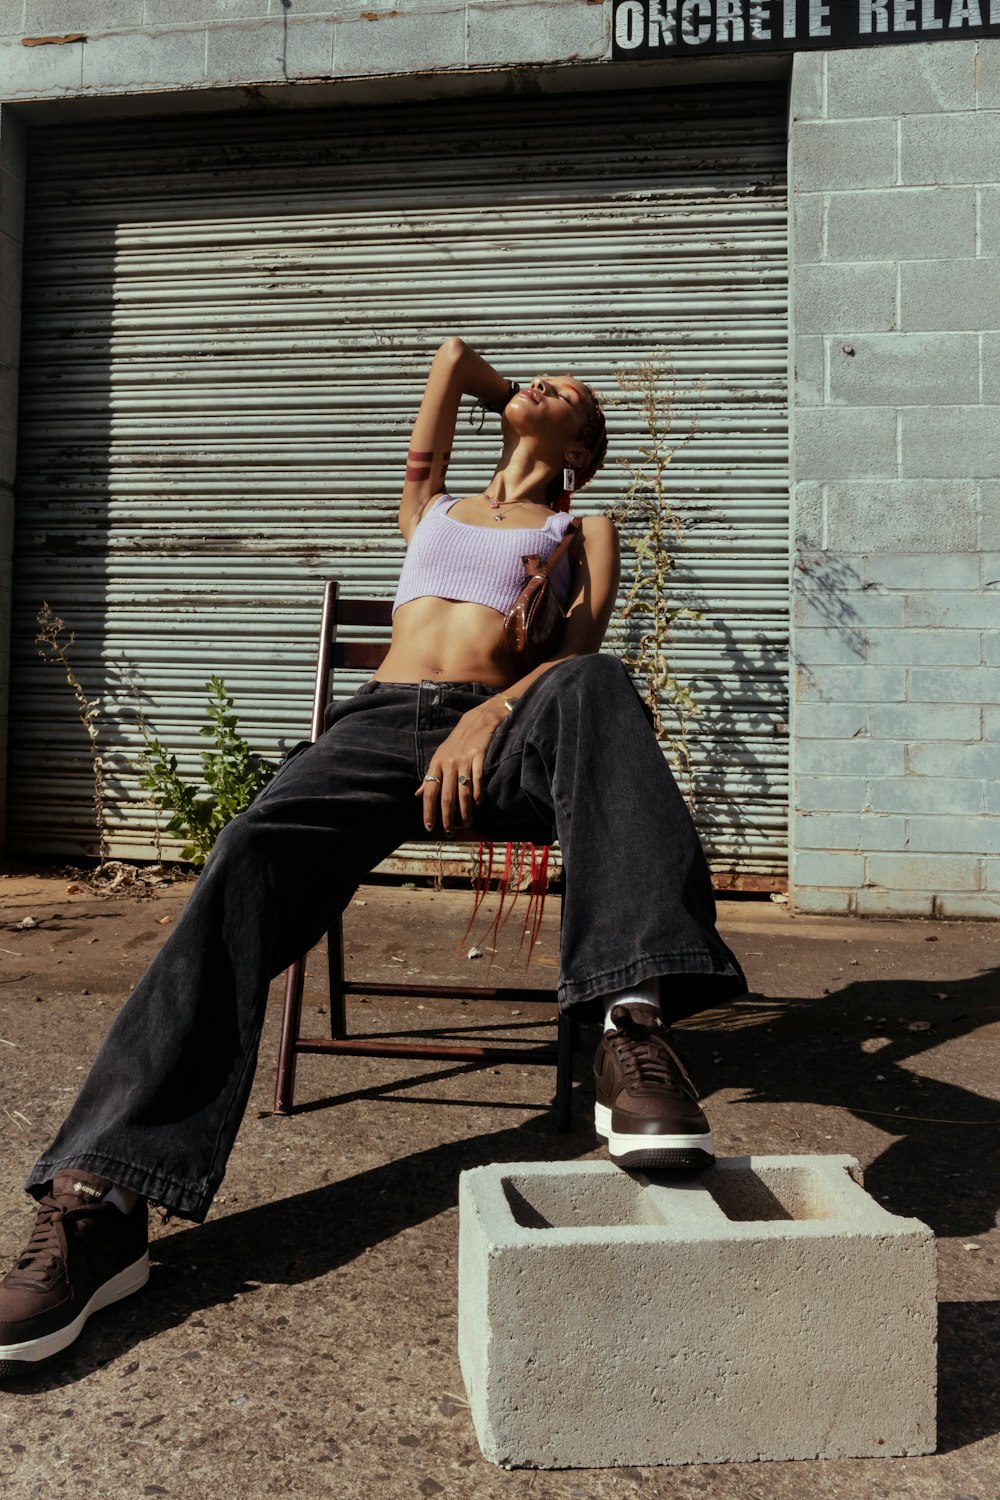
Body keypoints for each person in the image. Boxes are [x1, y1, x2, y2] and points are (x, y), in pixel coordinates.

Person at [0, 337, 746, 1375]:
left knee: (603, 684)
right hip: (373, 730)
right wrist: (505, 393)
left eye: (568, 392)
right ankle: (103, 1198)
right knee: (247, 850)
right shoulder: (431, 510)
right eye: (536, 381)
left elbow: (571, 658)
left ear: (584, 446)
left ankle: (628, 1026)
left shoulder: (584, 522)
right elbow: (451, 358)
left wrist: (488, 716)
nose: (544, 383)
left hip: (508, 740)